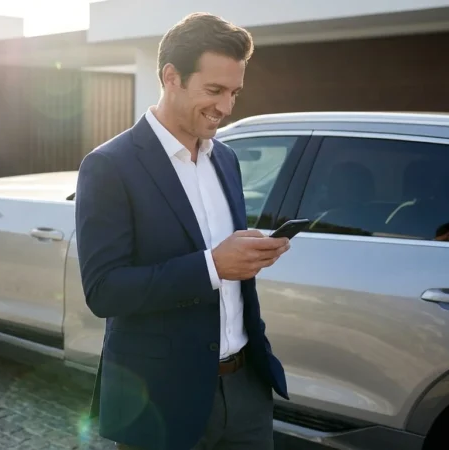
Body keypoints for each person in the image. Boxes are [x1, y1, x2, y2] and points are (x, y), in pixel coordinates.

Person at [74, 12, 291, 450]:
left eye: (234, 92)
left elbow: (227, 271)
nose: (227, 107)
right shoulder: (109, 166)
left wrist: (248, 257)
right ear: (171, 77)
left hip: (246, 390)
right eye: (214, 90)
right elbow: (103, 291)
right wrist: (212, 266)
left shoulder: (226, 159)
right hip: (159, 400)